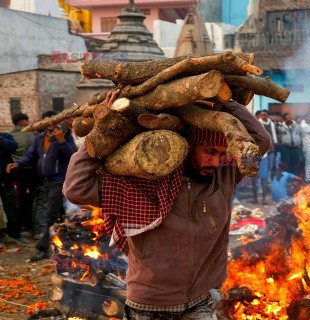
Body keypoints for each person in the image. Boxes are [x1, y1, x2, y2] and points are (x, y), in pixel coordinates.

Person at [63, 95, 270, 320]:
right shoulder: (146, 180)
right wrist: (100, 134)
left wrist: (224, 99)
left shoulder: (224, 178)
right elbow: (76, 188)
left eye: (222, 154)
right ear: (189, 148)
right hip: (149, 304)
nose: (216, 161)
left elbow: (260, 140)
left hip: (200, 299)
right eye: (209, 151)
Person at [7, 111, 77, 261]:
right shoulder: (40, 138)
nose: (50, 125)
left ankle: (43, 248)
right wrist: (18, 164)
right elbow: (30, 154)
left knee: (52, 215)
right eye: (46, 122)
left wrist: (61, 141)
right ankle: (64, 246)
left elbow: (73, 156)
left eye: (52, 122)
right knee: (57, 215)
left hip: (61, 181)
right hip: (45, 181)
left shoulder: (65, 135)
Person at [0, 131, 28, 249]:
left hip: (7, 180)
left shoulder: (5, 137)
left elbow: (13, 147)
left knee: (12, 208)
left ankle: (15, 234)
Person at [10, 112, 37, 234]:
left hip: (15, 171)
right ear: (23, 122)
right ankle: (31, 224)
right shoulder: (30, 135)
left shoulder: (9, 135)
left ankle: (21, 225)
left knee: (19, 198)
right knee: (33, 197)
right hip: (30, 170)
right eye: (26, 120)